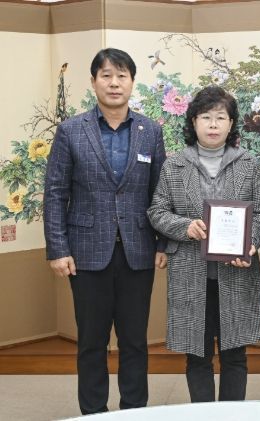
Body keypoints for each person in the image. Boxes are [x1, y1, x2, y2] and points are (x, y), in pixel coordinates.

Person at [43, 48, 167, 414]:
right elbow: (55, 192)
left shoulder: (151, 131)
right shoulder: (71, 131)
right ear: (94, 81)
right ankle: (93, 413)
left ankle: (134, 411)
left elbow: (160, 193)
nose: (114, 83)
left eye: (122, 76)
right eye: (107, 75)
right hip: (85, 253)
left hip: (137, 252)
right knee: (91, 343)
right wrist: (57, 248)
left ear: (132, 82)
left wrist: (163, 243)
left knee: (135, 342)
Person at [147, 86, 260, 402]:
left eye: (220, 117)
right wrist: (185, 226)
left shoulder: (247, 163)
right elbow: (157, 211)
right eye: (205, 117)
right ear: (193, 122)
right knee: (197, 355)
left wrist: (251, 242)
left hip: (236, 272)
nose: (213, 124)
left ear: (231, 124)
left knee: (235, 355)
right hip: (190, 272)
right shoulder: (174, 165)